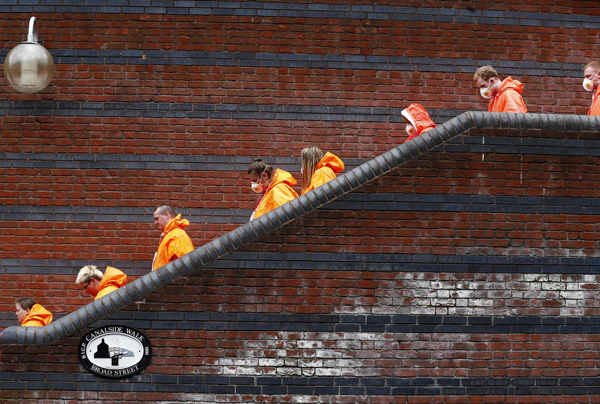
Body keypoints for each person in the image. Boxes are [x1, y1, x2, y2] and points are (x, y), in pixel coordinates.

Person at [152, 204, 195, 271]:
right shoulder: (170, 235)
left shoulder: (176, 236)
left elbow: (183, 268)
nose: (155, 222)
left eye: (157, 219)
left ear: (167, 215)